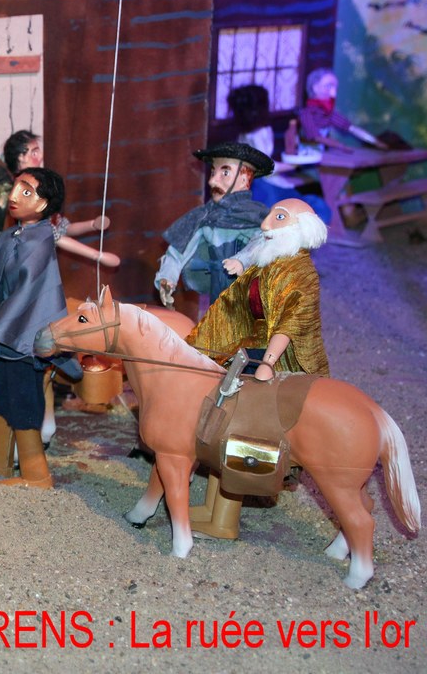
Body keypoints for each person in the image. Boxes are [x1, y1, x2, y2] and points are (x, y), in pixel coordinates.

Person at [184, 197, 331, 539]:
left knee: (242, 427)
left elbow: (292, 322)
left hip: (276, 356)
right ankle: (211, 506)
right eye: (269, 216)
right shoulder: (268, 262)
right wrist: (203, 346)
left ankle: (224, 520)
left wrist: (268, 362)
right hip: (248, 346)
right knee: (218, 414)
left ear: (300, 227)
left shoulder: (301, 273)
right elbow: (233, 305)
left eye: (278, 218)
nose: (265, 225)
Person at [0, 167, 83, 489]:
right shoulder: (7, 237)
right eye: (14, 188)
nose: (13, 196)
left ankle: (37, 475)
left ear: (43, 204)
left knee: (25, 403)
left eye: (26, 192)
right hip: (3, 337)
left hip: (25, 339)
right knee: (3, 398)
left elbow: (24, 298)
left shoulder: (40, 243)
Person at [156, 142, 272, 308]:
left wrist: (242, 260)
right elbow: (178, 251)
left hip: (251, 298)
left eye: (225, 172)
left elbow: (262, 245)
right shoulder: (204, 217)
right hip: (218, 297)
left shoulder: (261, 218)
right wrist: (167, 278)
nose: (212, 181)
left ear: (244, 179)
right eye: (212, 172)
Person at [0, 130, 119, 267]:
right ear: (21, 158)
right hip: (22, 261)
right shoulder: (23, 190)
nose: (40, 156)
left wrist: (92, 225)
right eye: (34, 152)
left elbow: (62, 227)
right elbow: (54, 236)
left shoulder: (39, 185)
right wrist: (96, 255)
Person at [227, 84, 332, 224]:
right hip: (262, 186)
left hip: (253, 184)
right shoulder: (257, 134)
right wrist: (293, 165)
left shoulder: (247, 134)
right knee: (311, 209)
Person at [298, 68, 388, 152]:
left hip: (319, 153)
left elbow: (352, 128)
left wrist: (375, 142)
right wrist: (341, 146)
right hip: (304, 153)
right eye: (328, 86)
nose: (334, 94)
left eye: (335, 88)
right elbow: (316, 137)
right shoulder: (306, 113)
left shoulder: (329, 113)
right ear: (315, 88)